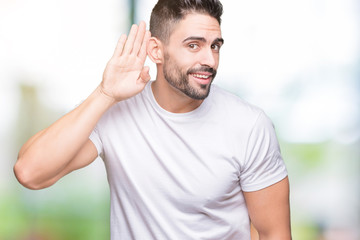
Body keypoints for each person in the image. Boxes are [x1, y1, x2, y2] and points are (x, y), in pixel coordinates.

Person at [14, 0, 291, 239]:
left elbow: (274, 233)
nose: (210, 60)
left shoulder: (249, 125)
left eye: (215, 46)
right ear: (156, 51)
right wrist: (105, 93)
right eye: (193, 45)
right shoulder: (115, 112)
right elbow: (30, 173)